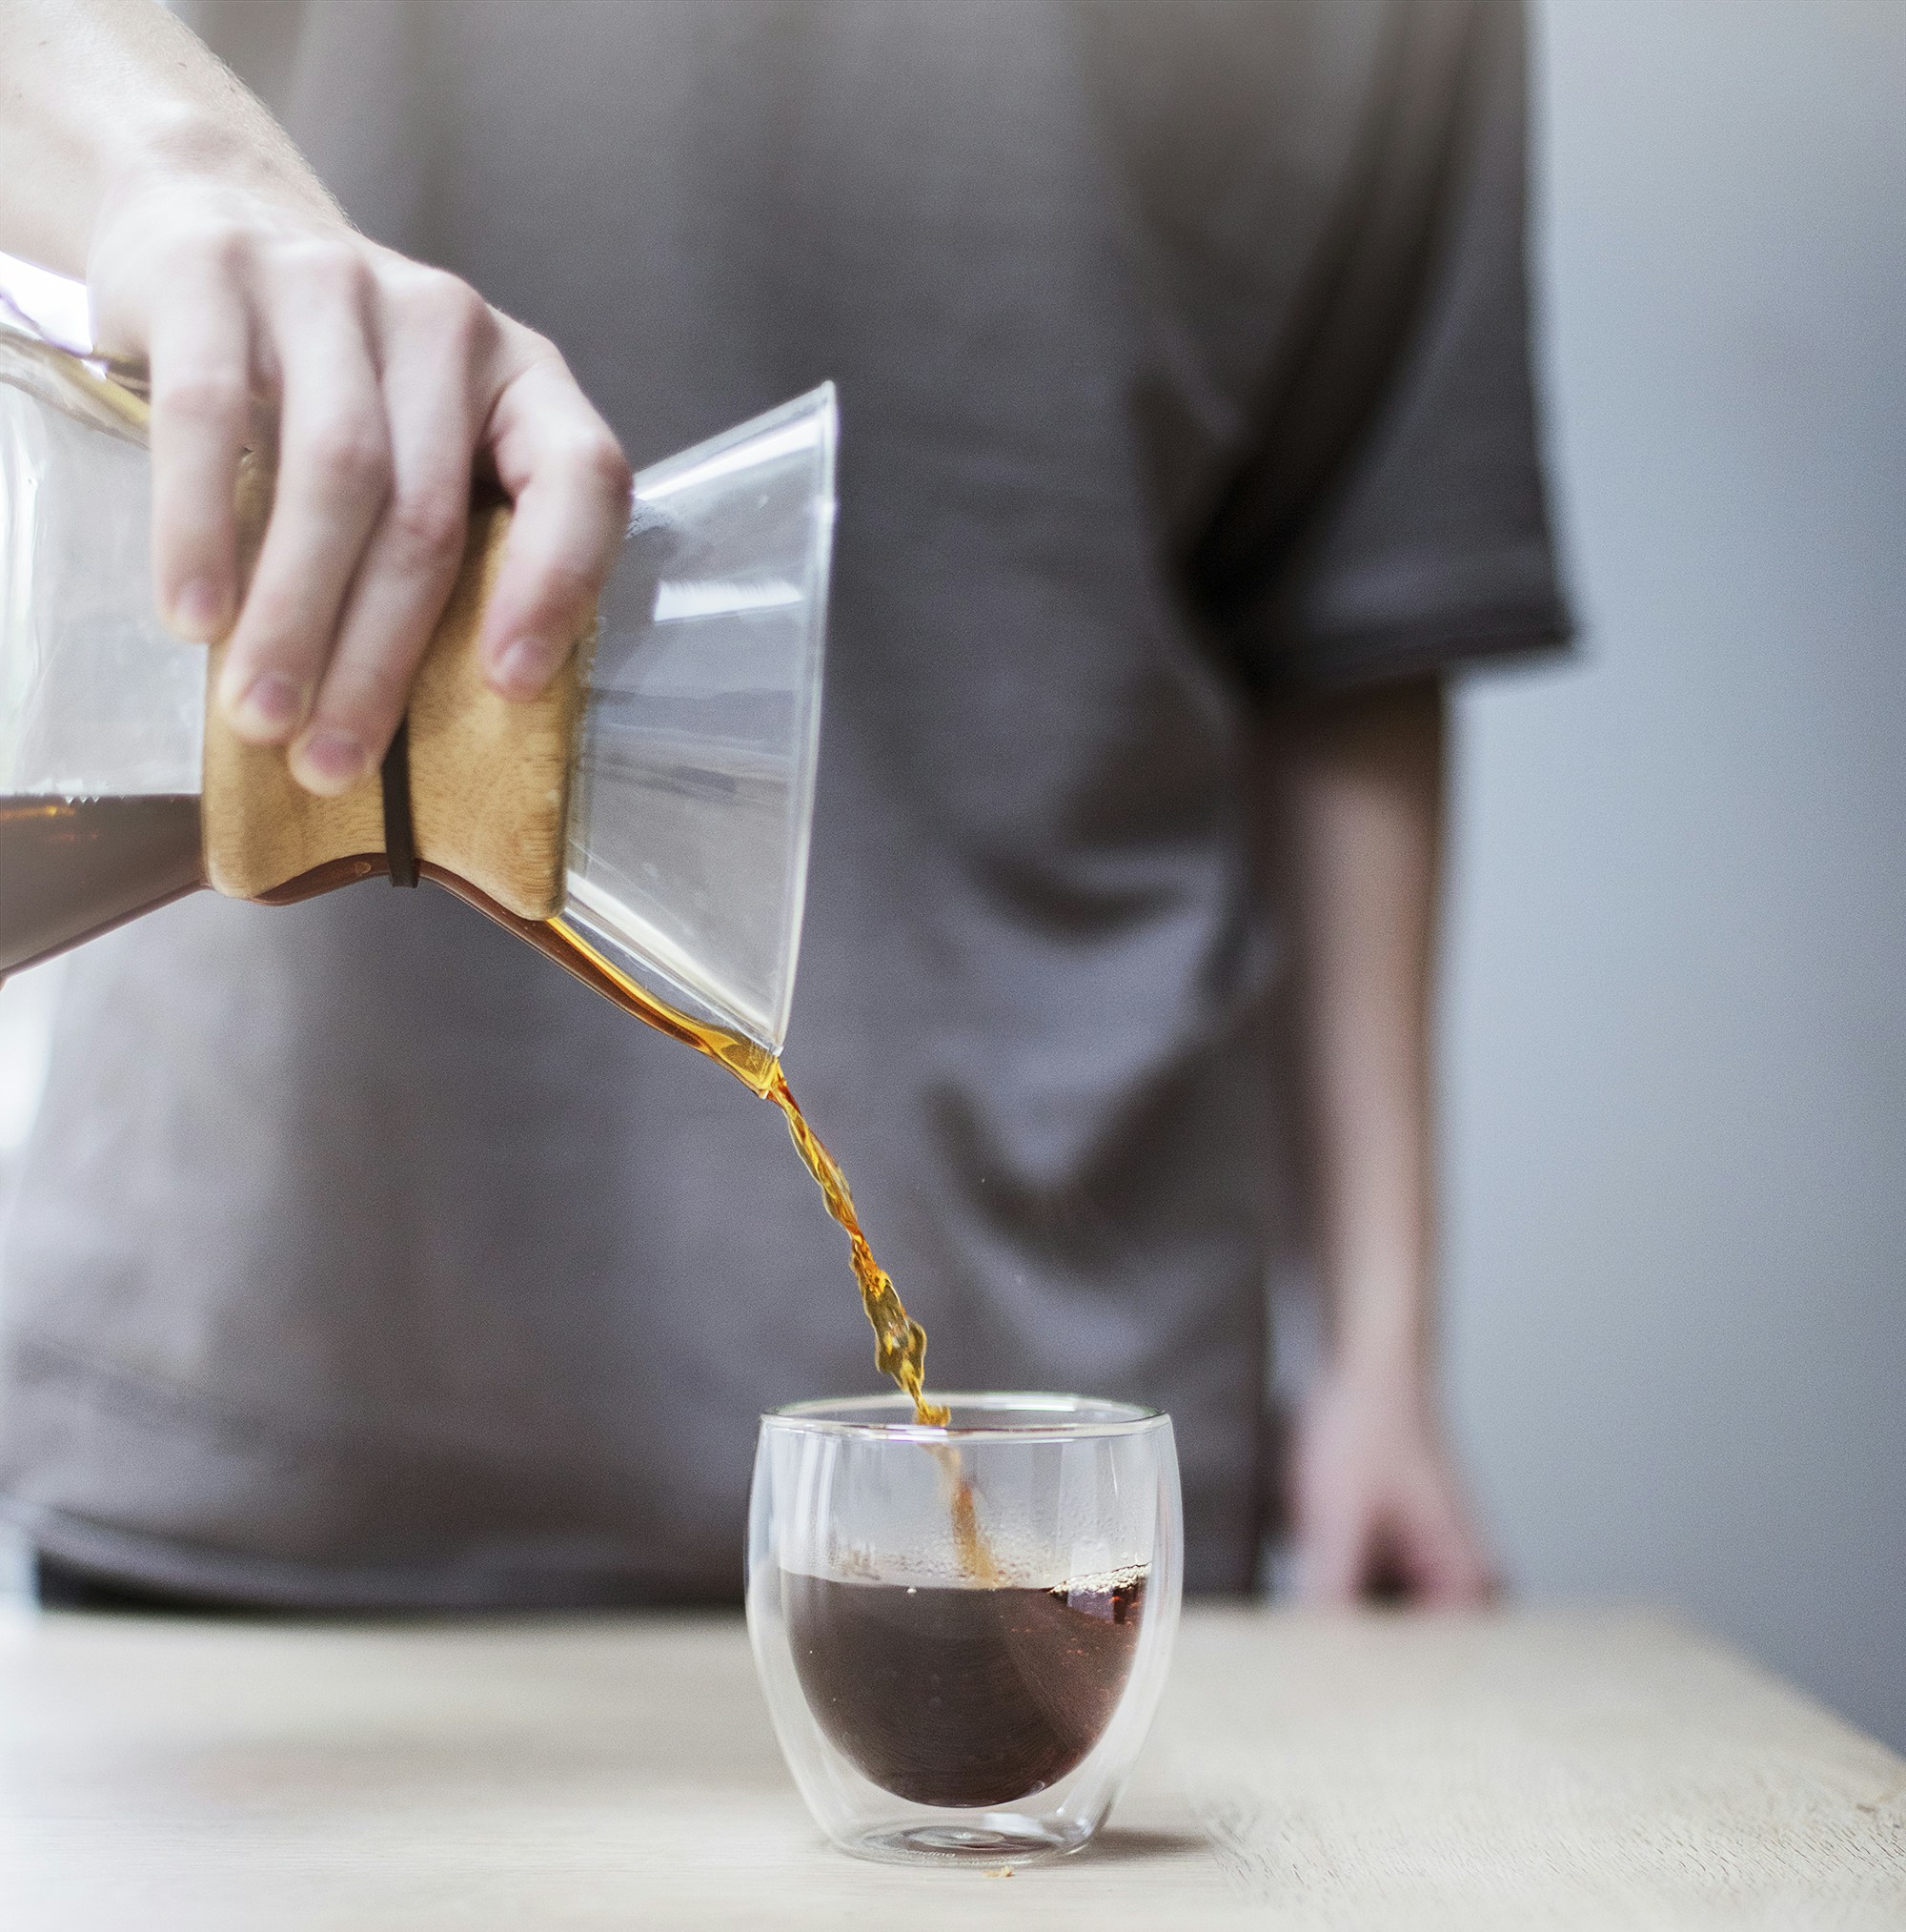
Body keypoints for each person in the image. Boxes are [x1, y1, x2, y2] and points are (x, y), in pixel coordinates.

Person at [0, 0, 1571, 1613]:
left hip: (1043, 1437)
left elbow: (1356, 598)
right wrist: (184, 174)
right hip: (274, 1370)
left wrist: (1383, 1354)